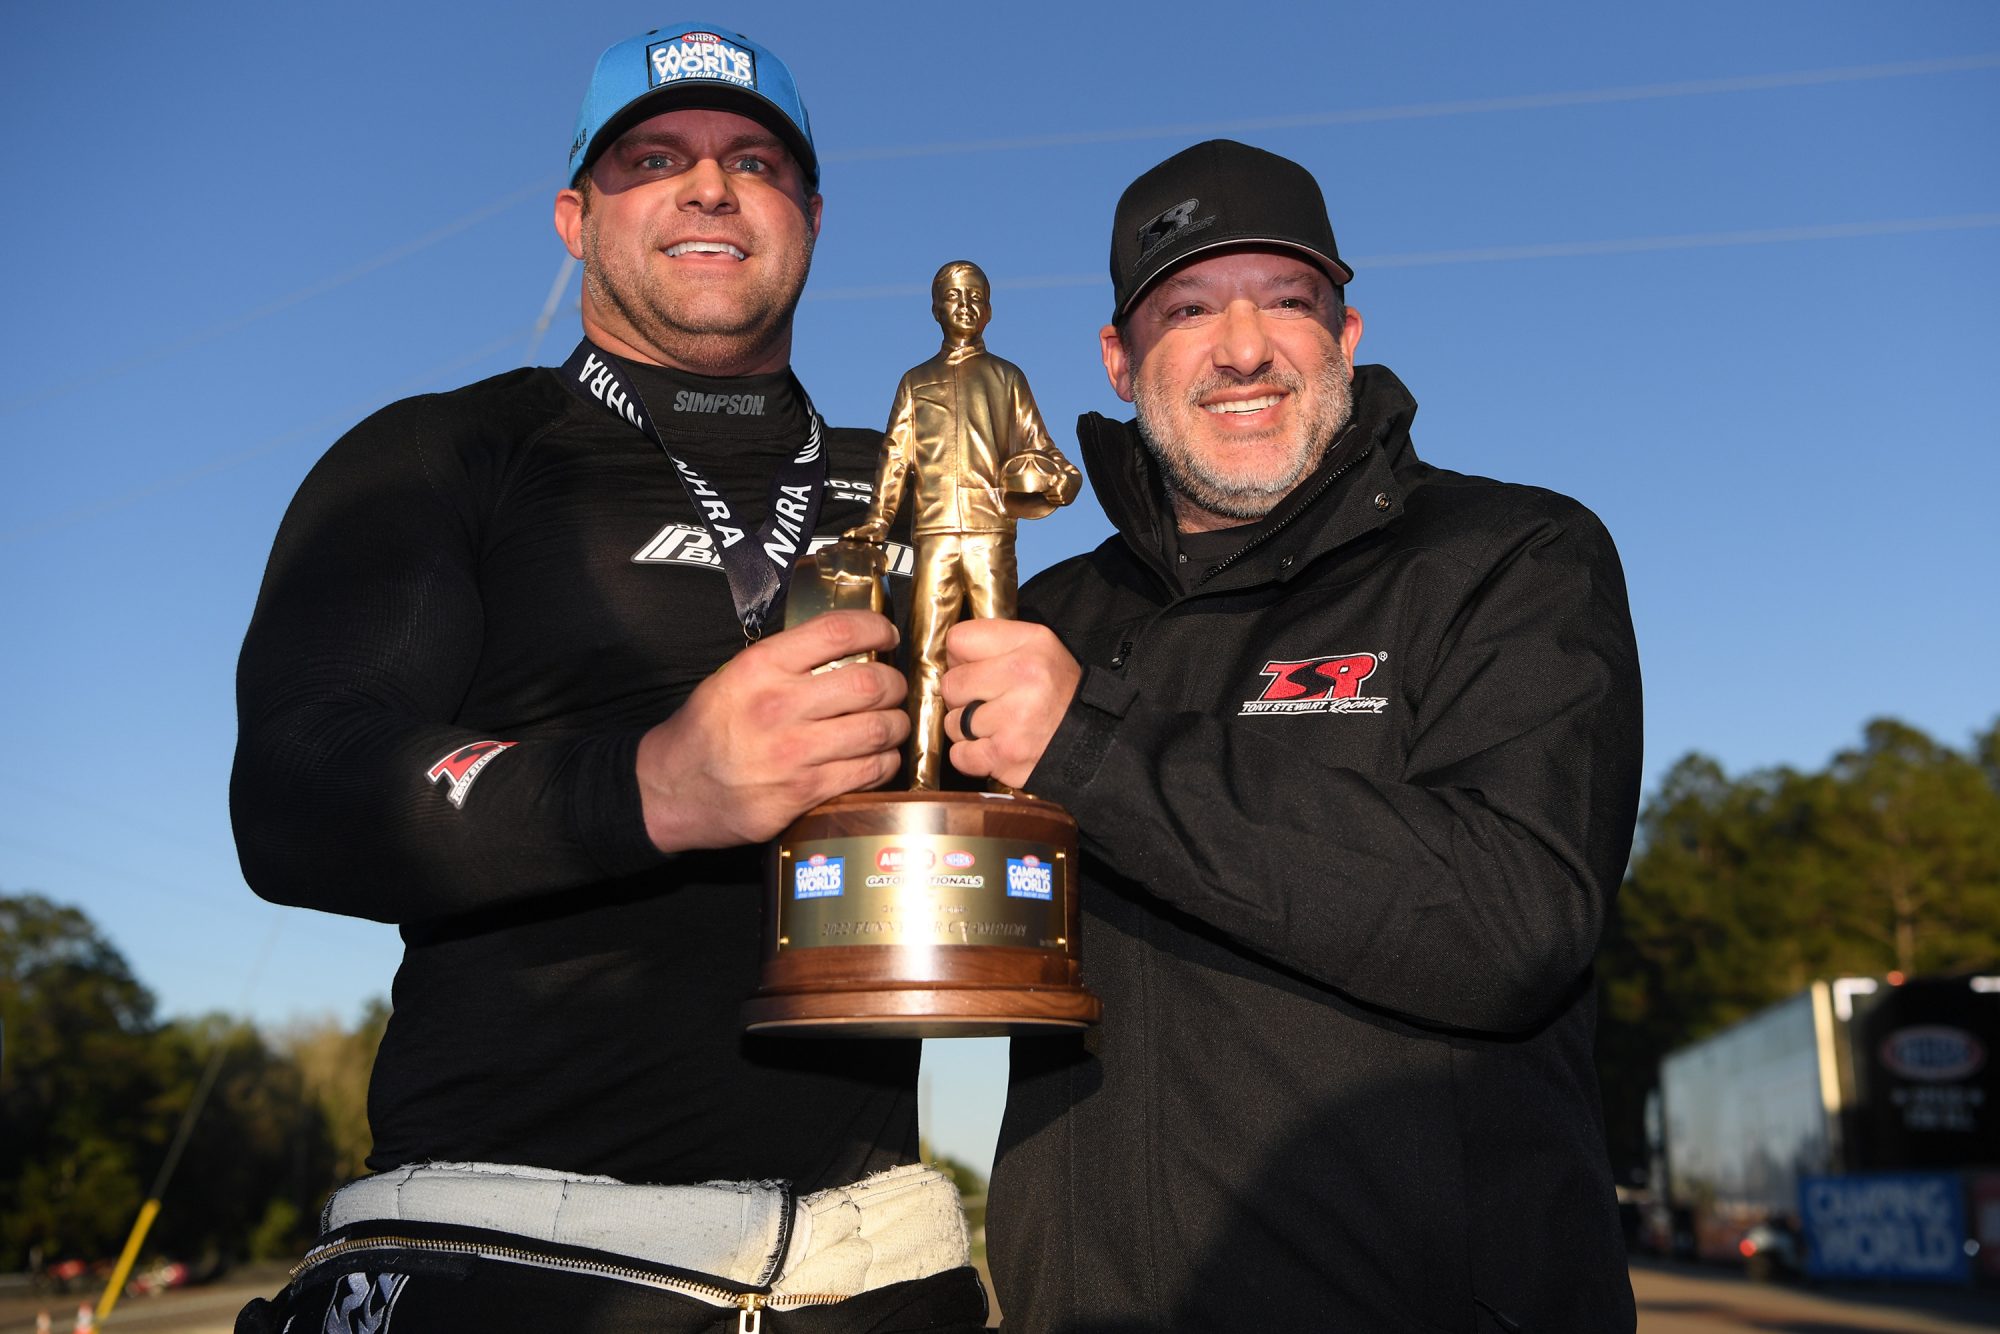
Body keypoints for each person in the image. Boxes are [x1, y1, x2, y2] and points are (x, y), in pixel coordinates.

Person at [230, 23, 987, 1332]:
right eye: (655, 157)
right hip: (507, 1238)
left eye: (756, 160)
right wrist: (649, 786)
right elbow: (297, 783)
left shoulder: (921, 485)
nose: (710, 186)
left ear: (809, 215)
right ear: (578, 217)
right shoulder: (449, 451)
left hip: (870, 1261)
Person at [945, 140, 1644, 1331]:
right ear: (1118, 361)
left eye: (1286, 301)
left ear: (1346, 334)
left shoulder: (1507, 555)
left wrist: (1088, 747)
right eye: (1187, 310)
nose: (1242, 347)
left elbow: (1509, 919)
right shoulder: (1041, 622)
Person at [843, 260, 1081, 790]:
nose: (966, 306)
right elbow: (895, 457)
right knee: (926, 656)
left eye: (977, 296)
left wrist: (1061, 482)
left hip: (991, 536)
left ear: (990, 309)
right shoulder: (916, 381)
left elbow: (1042, 449)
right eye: (953, 297)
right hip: (933, 538)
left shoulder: (1006, 377)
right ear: (936, 309)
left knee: (1000, 658)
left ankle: (1005, 787)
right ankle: (922, 781)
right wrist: (877, 522)